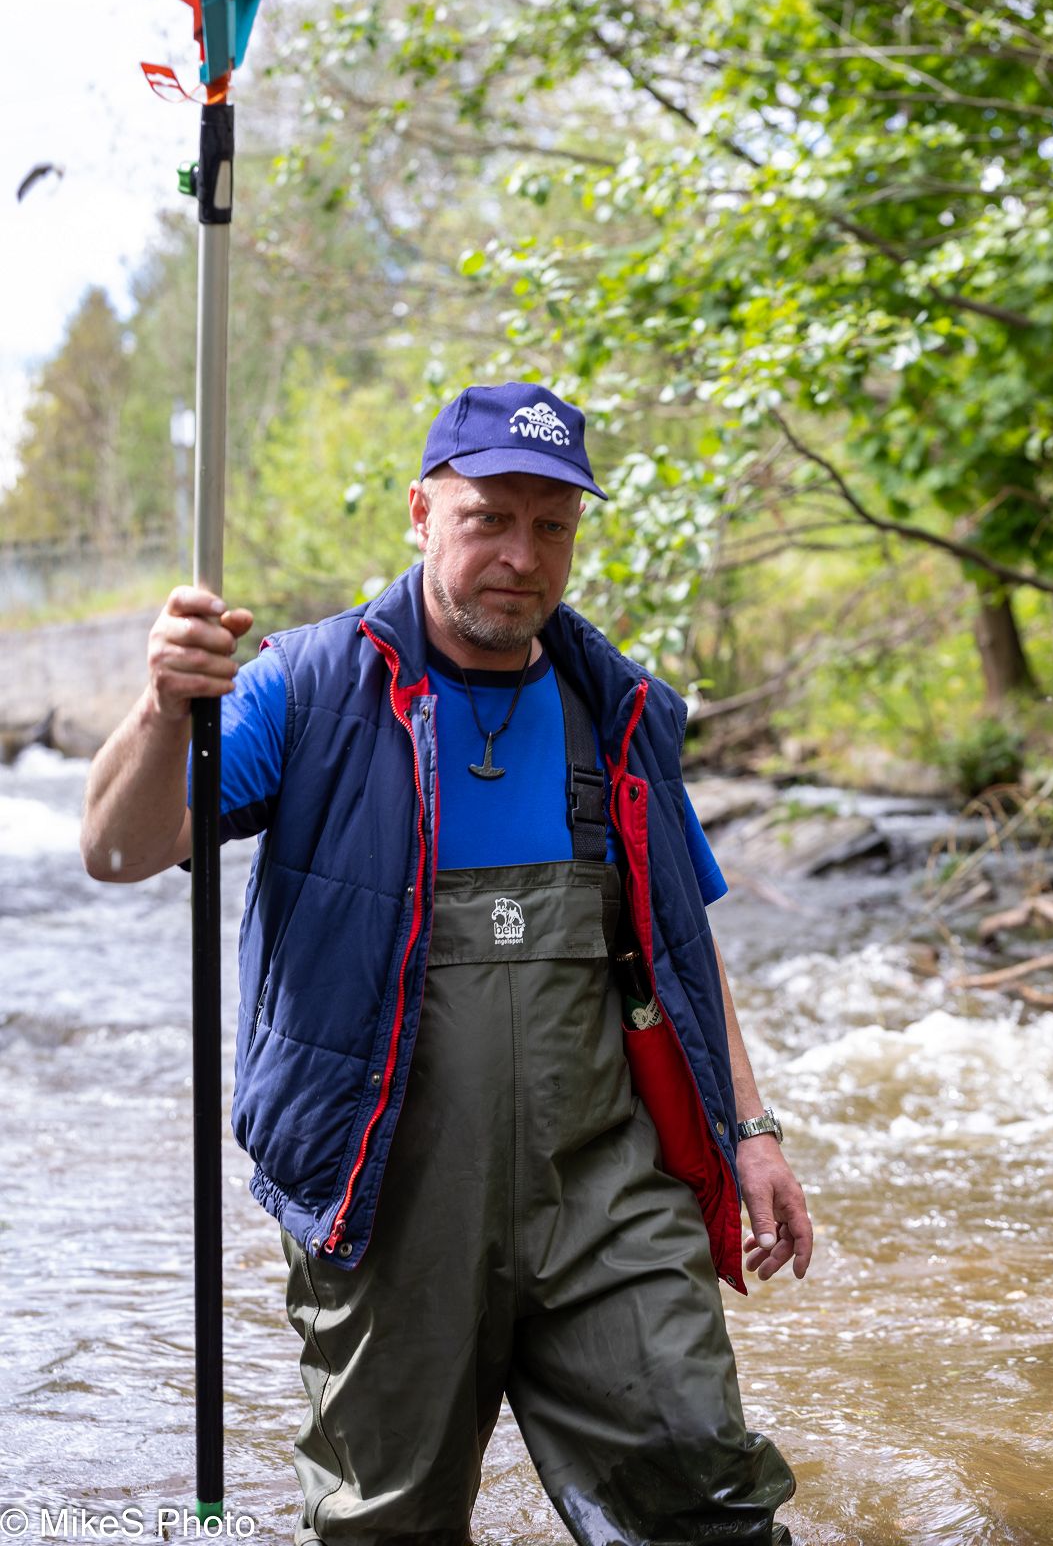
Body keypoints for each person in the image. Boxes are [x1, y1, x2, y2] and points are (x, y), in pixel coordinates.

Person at [82, 381, 812, 1546]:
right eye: (488, 518)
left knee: (707, 1505)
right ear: (422, 513)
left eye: (551, 525)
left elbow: (682, 944)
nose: (521, 556)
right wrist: (166, 710)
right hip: (383, 1203)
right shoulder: (305, 688)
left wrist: (751, 1130)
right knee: (390, 1529)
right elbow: (117, 849)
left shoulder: (618, 707)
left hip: (605, 1196)